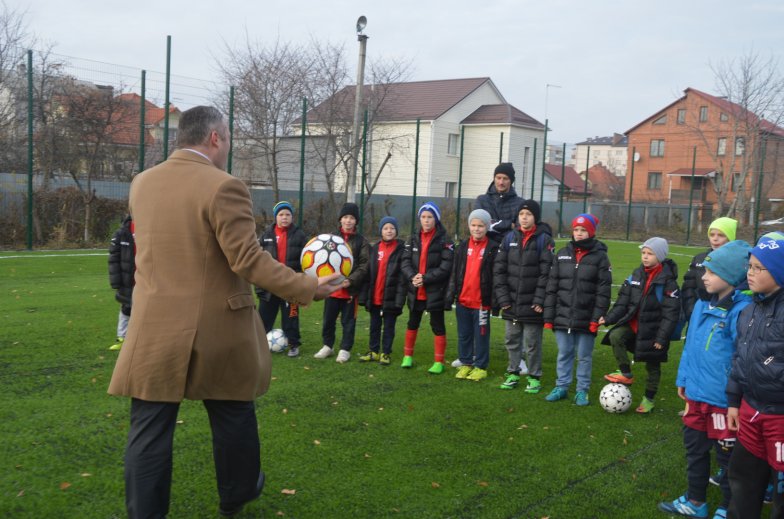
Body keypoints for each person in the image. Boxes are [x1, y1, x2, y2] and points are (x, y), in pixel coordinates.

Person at [108, 106, 338, 519]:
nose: (227, 146)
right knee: (233, 413)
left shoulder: (142, 183)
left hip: (152, 324)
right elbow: (248, 260)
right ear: (215, 138)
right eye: (228, 138)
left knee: (148, 427)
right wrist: (307, 287)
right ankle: (236, 494)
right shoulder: (224, 186)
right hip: (215, 327)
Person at [657, 240, 752, 519]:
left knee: (728, 459)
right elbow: (691, 347)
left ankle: (727, 506)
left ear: (731, 275)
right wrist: (684, 379)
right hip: (696, 397)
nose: (704, 276)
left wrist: (734, 398)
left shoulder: (742, 311)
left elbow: (741, 359)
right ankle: (696, 501)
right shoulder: (700, 304)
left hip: (723, 402)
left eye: (711, 272)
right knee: (695, 450)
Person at [726, 237, 784, 519]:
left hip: (780, 419)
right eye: (750, 266)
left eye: (759, 268)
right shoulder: (748, 311)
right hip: (750, 412)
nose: (750, 273)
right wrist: (734, 400)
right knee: (743, 484)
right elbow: (739, 357)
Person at [601, 237, 681, 414]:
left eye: (650, 254)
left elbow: (671, 314)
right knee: (615, 336)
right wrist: (608, 319)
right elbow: (622, 301)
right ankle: (626, 373)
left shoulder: (668, 282)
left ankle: (649, 399)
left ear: (659, 256)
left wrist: (661, 338)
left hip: (654, 331)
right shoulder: (636, 274)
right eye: (643, 253)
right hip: (635, 324)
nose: (645, 257)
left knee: (653, 365)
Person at [543, 214, 612, 406]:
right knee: (564, 353)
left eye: (583, 230)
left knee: (584, 356)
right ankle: (561, 387)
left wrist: (595, 318)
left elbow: (603, 292)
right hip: (562, 317)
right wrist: (549, 316)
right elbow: (552, 287)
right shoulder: (562, 254)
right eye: (576, 230)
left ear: (590, 232)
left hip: (586, 317)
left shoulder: (600, 258)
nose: (579, 234)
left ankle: (582, 391)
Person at [494, 199, 554, 392]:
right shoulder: (509, 238)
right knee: (511, 340)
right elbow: (499, 270)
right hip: (511, 302)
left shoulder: (544, 240)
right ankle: (513, 373)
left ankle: (534, 377)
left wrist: (539, 300)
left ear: (535, 217)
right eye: (521, 214)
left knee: (532, 343)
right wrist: (503, 298)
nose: (524, 218)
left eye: (528, 214)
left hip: (532, 305)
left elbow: (547, 274)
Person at [400, 202, 454, 373]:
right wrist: (412, 277)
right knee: (412, 322)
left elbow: (446, 266)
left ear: (436, 219)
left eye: (430, 217)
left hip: (434, 291)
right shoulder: (413, 237)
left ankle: (439, 361)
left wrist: (426, 278)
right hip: (416, 290)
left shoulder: (445, 240)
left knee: (437, 325)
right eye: (423, 217)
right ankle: (407, 356)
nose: (426, 220)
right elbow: (405, 261)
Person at [314, 202, 370, 363]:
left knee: (348, 322)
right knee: (328, 320)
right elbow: (321, 258)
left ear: (356, 221)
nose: (348, 221)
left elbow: (364, 264)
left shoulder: (361, 241)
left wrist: (350, 280)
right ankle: (327, 346)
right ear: (340, 219)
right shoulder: (330, 238)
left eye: (352, 218)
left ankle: (345, 349)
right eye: (345, 217)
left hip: (350, 290)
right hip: (332, 289)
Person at [447, 209, 500, 381]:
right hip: (463, 301)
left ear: (487, 227)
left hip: (481, 303)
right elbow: (455, 273)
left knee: (481, 335)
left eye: (481, 225)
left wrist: (493, 301)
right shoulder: (462, 246)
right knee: (464, 334)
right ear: (469, 226)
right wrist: (451, 294)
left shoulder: (493, 248)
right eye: (473, 225)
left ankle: (481, 366)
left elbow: (496, 276)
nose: (477, 229)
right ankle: (466, 362)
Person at [255, 201, 308, 357]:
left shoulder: (300, 235)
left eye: (288, 214)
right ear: (275, 217)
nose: (284, 217)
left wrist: (300, 280)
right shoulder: (266, 235)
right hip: (270, 285)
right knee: (263, 317)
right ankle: (259, 344)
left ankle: (293, 344)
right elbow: (258, 259)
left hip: (290, 285)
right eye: (281, 214)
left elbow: (307, 259)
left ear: (292, 217)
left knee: (290, 317)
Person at [358, 216, 407, 366]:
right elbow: (368, 275)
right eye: (386, 228)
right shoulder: (374, 249)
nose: (389, 231)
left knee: (389, 327)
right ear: (381, 231)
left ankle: (385, 353)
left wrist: (399, 299)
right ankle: (373, 351)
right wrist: (365, 296)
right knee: (374, 326)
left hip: (391, 297)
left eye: (392, 228)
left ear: (396, 231)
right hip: (375, 296)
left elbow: (402, 278)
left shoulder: (401, 249)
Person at [682, 217, 737, 321]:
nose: (715, 238)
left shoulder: (737, 262)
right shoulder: (699, 259)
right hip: (698, 315)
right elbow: (688, 287)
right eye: (712, 235)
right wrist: (692, 311)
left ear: (730, 238)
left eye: (721, 235)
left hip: (723, 318)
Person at [476, 162, 522, 241]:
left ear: (511, 181)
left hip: (510, 248)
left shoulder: (520, 204)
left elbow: (520, 230)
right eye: (498, 178)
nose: (501, 182)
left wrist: (495, 227)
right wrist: (509, 225)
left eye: (505, 178)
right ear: (494, 179)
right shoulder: (481, 201)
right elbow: (480, 225)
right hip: (486, 247)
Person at [108, 215, 135, 351]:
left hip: (146, 279)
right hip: (127, 280)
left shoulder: (150, 230)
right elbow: (113, 259)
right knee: (126, 308)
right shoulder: (121, 234)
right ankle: (121, 338)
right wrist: (116, 281)